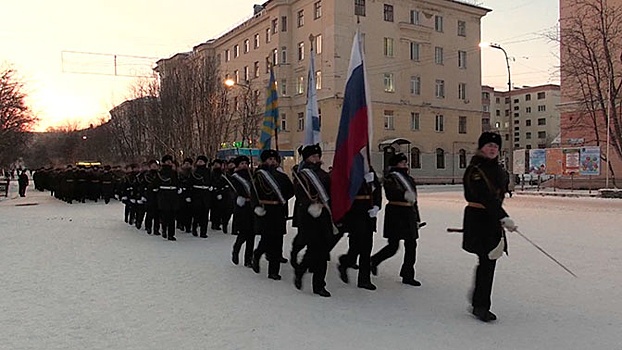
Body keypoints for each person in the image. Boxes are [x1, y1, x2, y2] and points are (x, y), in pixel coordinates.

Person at [462, 131, 517, 322]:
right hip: (478, 219)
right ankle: (480, 305)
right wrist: (504, 217)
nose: (493, 149)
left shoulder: (498, 169)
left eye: (495, 146)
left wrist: (500, 216)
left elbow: (498, 193)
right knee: (487, 260)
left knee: (489, 261)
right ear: (481, 148)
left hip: (492, 219)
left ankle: (479, 301)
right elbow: (484, 197)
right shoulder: (475, 170)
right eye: (489, 146)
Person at [370, 153, 423, 287]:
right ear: (395, 164)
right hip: (396, 213)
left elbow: (414, 200)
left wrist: (417, 218)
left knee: (411, 245)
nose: (405, 164)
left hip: (409, 213)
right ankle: (374, 261)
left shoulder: (409, 179)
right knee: (393, 246)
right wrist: (403, 195)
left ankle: (408, 274)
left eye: (405, 162)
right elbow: (391, 192)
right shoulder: (391, 177)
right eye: (402, 162)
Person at [293, 144, 334, 297]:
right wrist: (311, 205)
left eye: (318, 156)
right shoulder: (302, 175)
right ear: (307, 158)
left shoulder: (324, 175)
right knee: (313, 250)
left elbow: (330, 193)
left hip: (323, 216)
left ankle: (319, 284)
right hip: (308, 217)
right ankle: (301, 270)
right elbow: (299, 194)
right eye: (313, 156)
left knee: (322, 252)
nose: (316, 158)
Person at [251, 149, 294, 280]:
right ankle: (257, 254)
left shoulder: (282, 176)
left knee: (277, 240)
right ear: (264, 161)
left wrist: (283, 199)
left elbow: (290, 190)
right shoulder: (258, 175)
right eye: (270, 159)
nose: (272, 161)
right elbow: (253, 193)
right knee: (267, 239)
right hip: (265, 210)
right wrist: (256, 207)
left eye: (274, 159)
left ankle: (273, 271)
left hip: (278, 210)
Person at [337, 167, 382, 290]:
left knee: (366, 247)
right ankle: (346, 262)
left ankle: (364, 279)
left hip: (368, 213)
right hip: (355, 212)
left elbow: (377, 190)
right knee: (358, 245)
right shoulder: (350, 167)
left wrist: (377, 205)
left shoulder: (369, 170)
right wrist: (361, 181)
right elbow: (345, 190)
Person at [230, 155, 255, 267]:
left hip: (252, 206)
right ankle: (236, 249)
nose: (245, 166)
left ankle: (248, 259)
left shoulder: (252, 175)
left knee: (252, 234)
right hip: (242, 207)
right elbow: (235, 190)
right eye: (242, 164)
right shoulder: (235, 177)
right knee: (244, 233)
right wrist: (242, 197)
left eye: (246, 164)